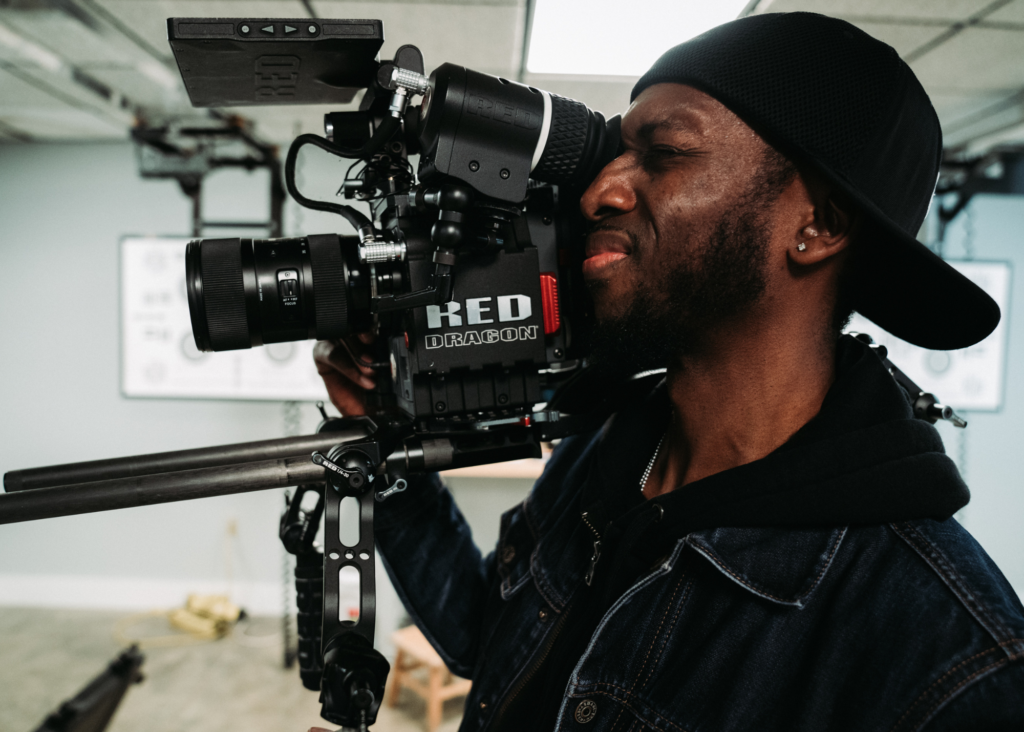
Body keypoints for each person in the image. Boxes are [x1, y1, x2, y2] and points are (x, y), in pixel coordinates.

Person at [313, 12, 1024, 731]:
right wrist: (386, 443)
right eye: (620, 152)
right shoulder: (609, 446)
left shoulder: (948, 655)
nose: (598, 194)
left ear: (820, 227)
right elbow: (486, 639)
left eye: (664, 153)